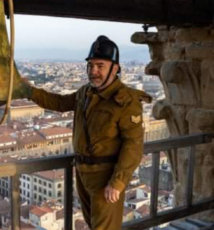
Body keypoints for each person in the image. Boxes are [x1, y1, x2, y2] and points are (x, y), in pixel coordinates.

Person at [23, 35, 152, 230]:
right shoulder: (85, 93)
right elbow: (58, 103)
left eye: (100, 66)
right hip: (83, 173)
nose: (94, 71)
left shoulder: (126, 101)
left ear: (115, 68)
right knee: (93, 225)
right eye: (90, 66)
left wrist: (117, 182)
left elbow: (133, 145)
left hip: (105, 177)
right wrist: (29, 91)